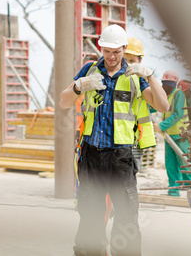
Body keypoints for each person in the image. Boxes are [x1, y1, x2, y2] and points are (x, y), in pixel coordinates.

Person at [60, 24, 169, 256]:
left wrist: (149, 76)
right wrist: (79, 87)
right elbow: (64, 102)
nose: (111, 57)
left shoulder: (134, 77)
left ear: (123, 49)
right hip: (91, 155)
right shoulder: (89, 70)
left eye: (116, 51)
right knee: (90, 214)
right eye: (107, 51)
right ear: (101, 47)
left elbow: (163, 105)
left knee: (127, 217)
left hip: (120, 158)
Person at [158, 70, 191, 197]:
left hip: (180, 136)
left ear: (172, 84)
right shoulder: (167, 95)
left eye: (165, 84)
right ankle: (173, 190)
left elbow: (177, 114)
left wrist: (160, 126)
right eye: (162, 83)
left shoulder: (178, 94)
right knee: (171, 165)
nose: (163, 86)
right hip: (169, 136)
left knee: (185, 163)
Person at [124, 37, 157, 169]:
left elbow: (158, 105)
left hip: (135, 139)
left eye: (132, 61)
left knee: (129, 179)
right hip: (117, 140)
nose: (127, 64)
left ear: (140, 61)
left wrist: (149, 77)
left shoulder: (141, 81)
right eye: (125, 60)